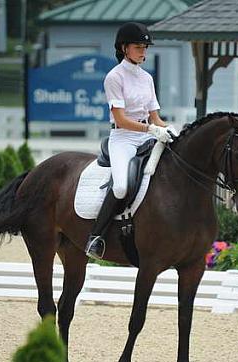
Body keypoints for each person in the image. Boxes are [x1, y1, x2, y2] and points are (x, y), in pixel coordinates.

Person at [85, 22, 172, 260]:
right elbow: (121, 120)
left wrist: (172, 130)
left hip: (147, 137)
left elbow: (156, 117)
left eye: (145, 47)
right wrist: (152, 128)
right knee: (121, 185)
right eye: (138, 47)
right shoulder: (114, 77)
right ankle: (96, 236)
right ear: (124, 48)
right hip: (123, 139)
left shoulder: (147, 78)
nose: (143, 51)